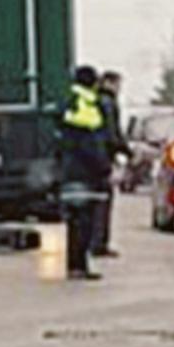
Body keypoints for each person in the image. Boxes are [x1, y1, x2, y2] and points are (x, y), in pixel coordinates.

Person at [60, 65, 111, 280]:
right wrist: (103, 167)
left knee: (74, 220)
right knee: (84, 220)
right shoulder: (89, 105)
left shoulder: (69, 101)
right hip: (86, 172)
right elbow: (93, 142)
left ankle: (74, 265)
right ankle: (79, 265)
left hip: (70, 169)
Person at [91, 70, 131, 258]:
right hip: (104, 157)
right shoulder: (108, 103)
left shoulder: (94, 100)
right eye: (117, 84)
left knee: (94, 201)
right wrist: (125, 151)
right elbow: (112, 132)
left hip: (93, 157)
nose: (119, 88)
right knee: (103, 201)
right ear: (109, 83)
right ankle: (99, 243)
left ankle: (93, 241)